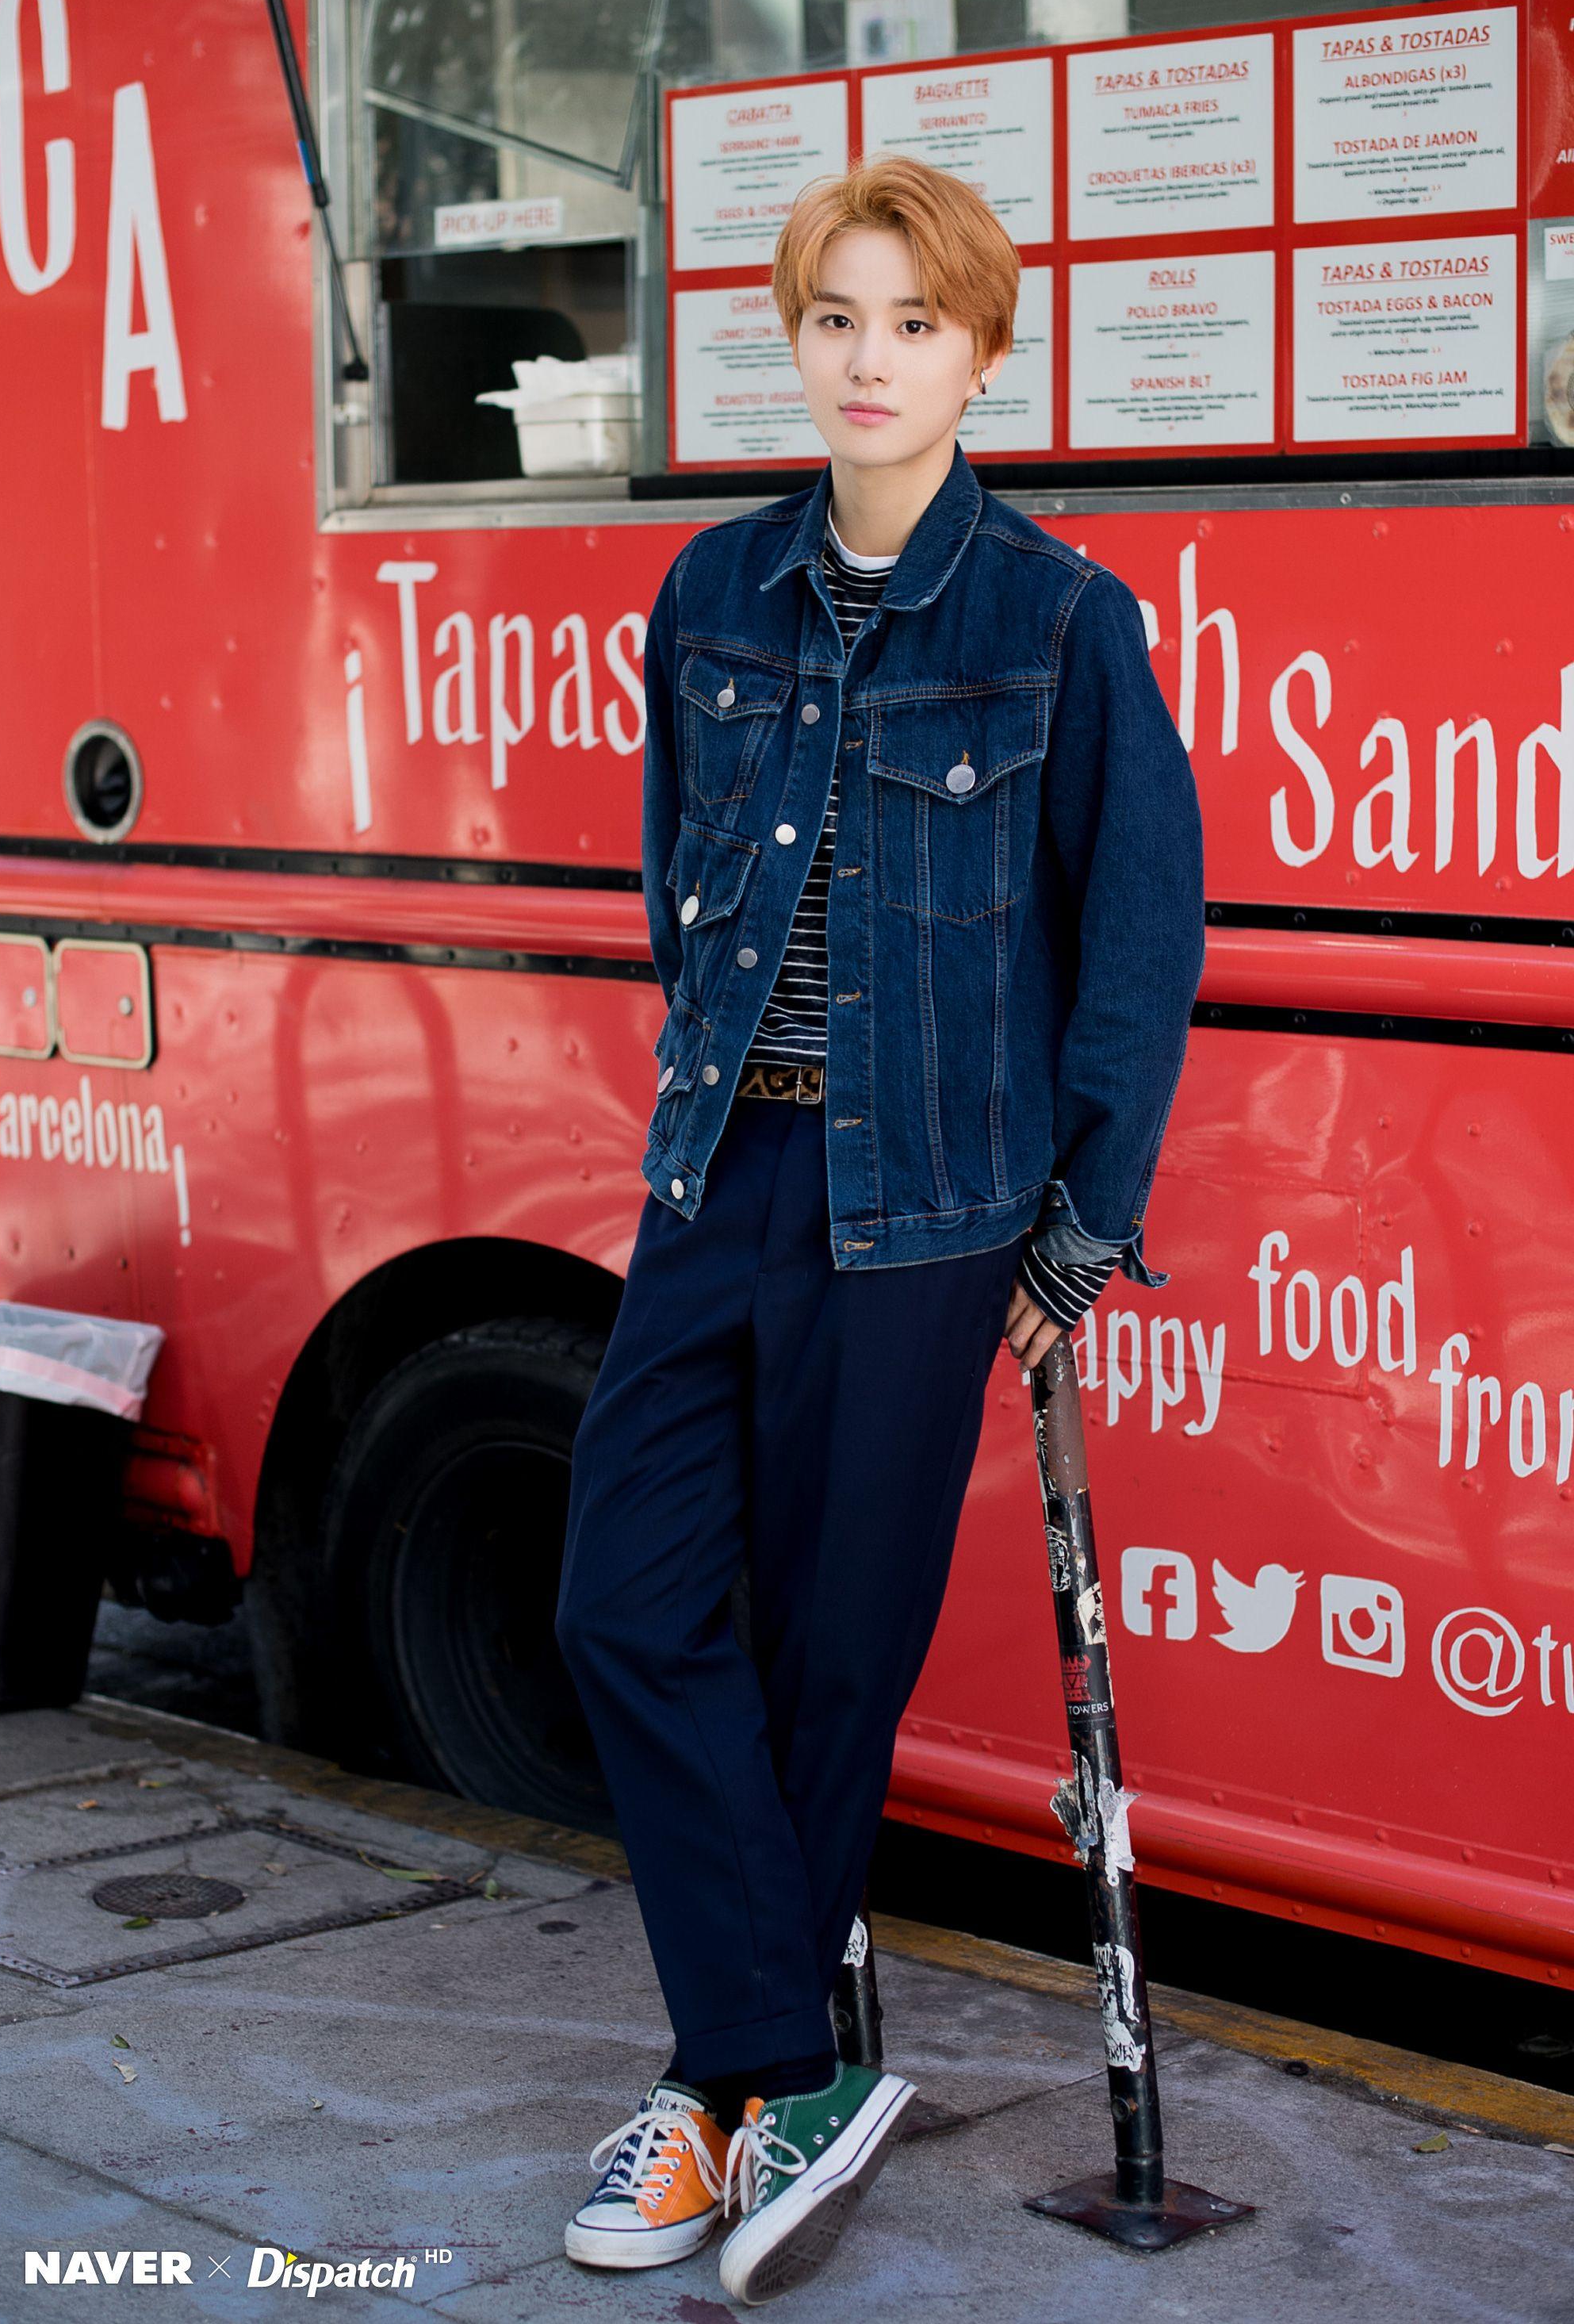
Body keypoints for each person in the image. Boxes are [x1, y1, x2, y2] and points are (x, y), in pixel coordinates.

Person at [553, 154, 1205, 2306]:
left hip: (926, 1217)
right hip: (723, 1171)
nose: (867, 357)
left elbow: (1136, 948)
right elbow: (679, 890)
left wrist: (1071, 1246)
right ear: (792, 337)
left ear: (982, 357)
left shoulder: (1060, 621)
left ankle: (719, 2099)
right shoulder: (712, 597)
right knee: (623, 1603)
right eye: (834, 317)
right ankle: (785, 2064)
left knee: (836, 1667)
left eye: (911, 324)